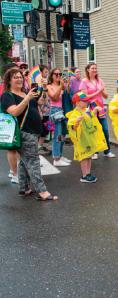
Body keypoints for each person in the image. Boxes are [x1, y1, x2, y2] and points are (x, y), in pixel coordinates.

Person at [1, 68, 58, 200]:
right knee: (33, 161)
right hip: (24, 132)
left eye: (21, 76)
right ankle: (42, 192)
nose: (20, 79)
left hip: (33, 131)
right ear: (9, 81)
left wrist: (43, 90)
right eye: (15, 77)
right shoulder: (7, 96)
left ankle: (24, 188)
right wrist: (26, 98)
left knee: (24, 161)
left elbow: (42, 102)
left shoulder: (25, 92)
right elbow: (14, 111)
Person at [66, 92, 107, 183]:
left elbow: (90, 117)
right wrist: (76, 123)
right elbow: (71, 126)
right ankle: (84, 175)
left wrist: (95, 110)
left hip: (88, 138)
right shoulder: (74, 114)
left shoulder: (85, 111)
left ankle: (88, 173)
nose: (86, 102)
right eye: (84, 101)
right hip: (81, 140)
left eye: (86, 101)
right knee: (84, 157)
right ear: (77, 103)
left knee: (89, 156)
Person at [79, 63, 115, 159]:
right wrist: (97, 92)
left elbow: (106, 96)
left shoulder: (99, 80)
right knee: (93, 131)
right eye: (92, 68)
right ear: (87, 70)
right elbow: (84, 97)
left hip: (101, 109)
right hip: (90, 109)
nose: (94, 70)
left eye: (95, 68)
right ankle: (94, 152)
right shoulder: (84, 81)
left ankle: (107, 151)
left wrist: (102, 91)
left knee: (105, 130)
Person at [47, 68, 71, 167]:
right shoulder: (49, 86)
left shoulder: (61, 86)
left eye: (60, 74)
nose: (58, 76)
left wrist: (67, 85)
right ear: (52, 75)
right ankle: (56, 158)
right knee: (57, 135)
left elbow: (68, 94)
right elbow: (54, 97)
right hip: (54, 111)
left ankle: (59, 155)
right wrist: (61, 86)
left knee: (62, 135)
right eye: (56, 74)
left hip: (62, 111)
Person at [1, 62, 19, 184]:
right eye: (14, 73)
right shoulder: (3, 88)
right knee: (12, 148)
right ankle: (14, 173)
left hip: (18, 119)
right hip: (8, 120)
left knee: (17, 147)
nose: (18, 75)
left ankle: (16, 171)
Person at [37, 64, 51, 156]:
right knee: (42, 129)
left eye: (47, 71)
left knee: (48, 128)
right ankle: (39, 146)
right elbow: (37, 100)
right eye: (45, 72)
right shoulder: (39, 85)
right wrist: (39, 111)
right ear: (41, 72)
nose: (47, 73)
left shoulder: (46, 83)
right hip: (41, 110)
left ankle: (41, 144)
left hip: (48, 109)